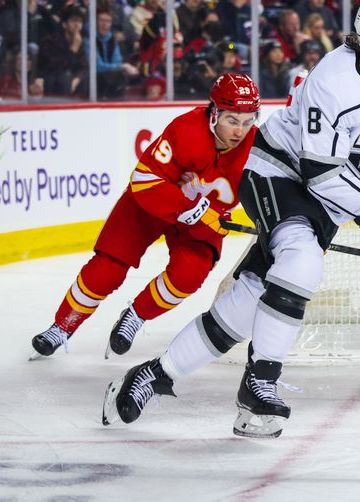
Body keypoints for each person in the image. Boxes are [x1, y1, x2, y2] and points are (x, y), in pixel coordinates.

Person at [101, 0, 360, 438]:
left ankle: (153, 375)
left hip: (333, 197)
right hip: (277, 171)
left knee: (248, 304)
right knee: (302, 261)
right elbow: (321, 173)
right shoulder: (334, 81)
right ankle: (260, 383)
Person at [30, 74, 260, 360]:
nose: (240, 131)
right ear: (214, 113)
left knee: (190, 273)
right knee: (107, 268)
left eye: (248, 121)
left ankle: (136, 316)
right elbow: (144, 180)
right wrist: (191, 207)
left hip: (203, 218)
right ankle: (62, 326)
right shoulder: (186, 130)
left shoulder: (255, 148)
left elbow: (267, 192)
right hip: (151, 205)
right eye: (232, 120)